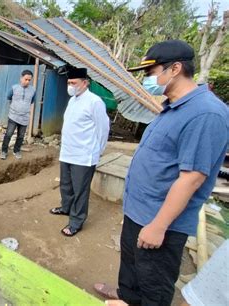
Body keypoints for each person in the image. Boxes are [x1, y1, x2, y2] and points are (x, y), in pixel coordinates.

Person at [94, 40, 229, 306]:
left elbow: (192, 178)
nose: (147, 79)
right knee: (132, 269)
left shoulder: (206, 114)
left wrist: (158, 225)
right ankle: (127, 297)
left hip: (160, 222)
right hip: (140, 212)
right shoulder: (173, 106)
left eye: (151, 72)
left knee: (153, 284)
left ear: (176, 68)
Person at [49, 67, 109, 237]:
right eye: (68, 83)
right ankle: (66, 207)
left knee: (80, 190)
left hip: (84, 155)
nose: (70, 86)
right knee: (66, 185)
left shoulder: (94, 102)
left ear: (85, 83)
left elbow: (103, 129)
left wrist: (98, 151)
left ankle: (76, 221)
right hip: (67, 152)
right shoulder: (73, 100)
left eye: (73, 83)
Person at [0, 70, 36, 160]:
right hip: (13, 116)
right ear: (21, 78)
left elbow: (32, 101)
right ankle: (4, 151)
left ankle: (17, 150)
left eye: (29, 80)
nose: (27, 81)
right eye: (26, 79)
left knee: (21, 136)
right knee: (9, 134)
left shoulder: (33, 90)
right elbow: (9, 97)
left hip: (24, 117)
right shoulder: (14, 88)